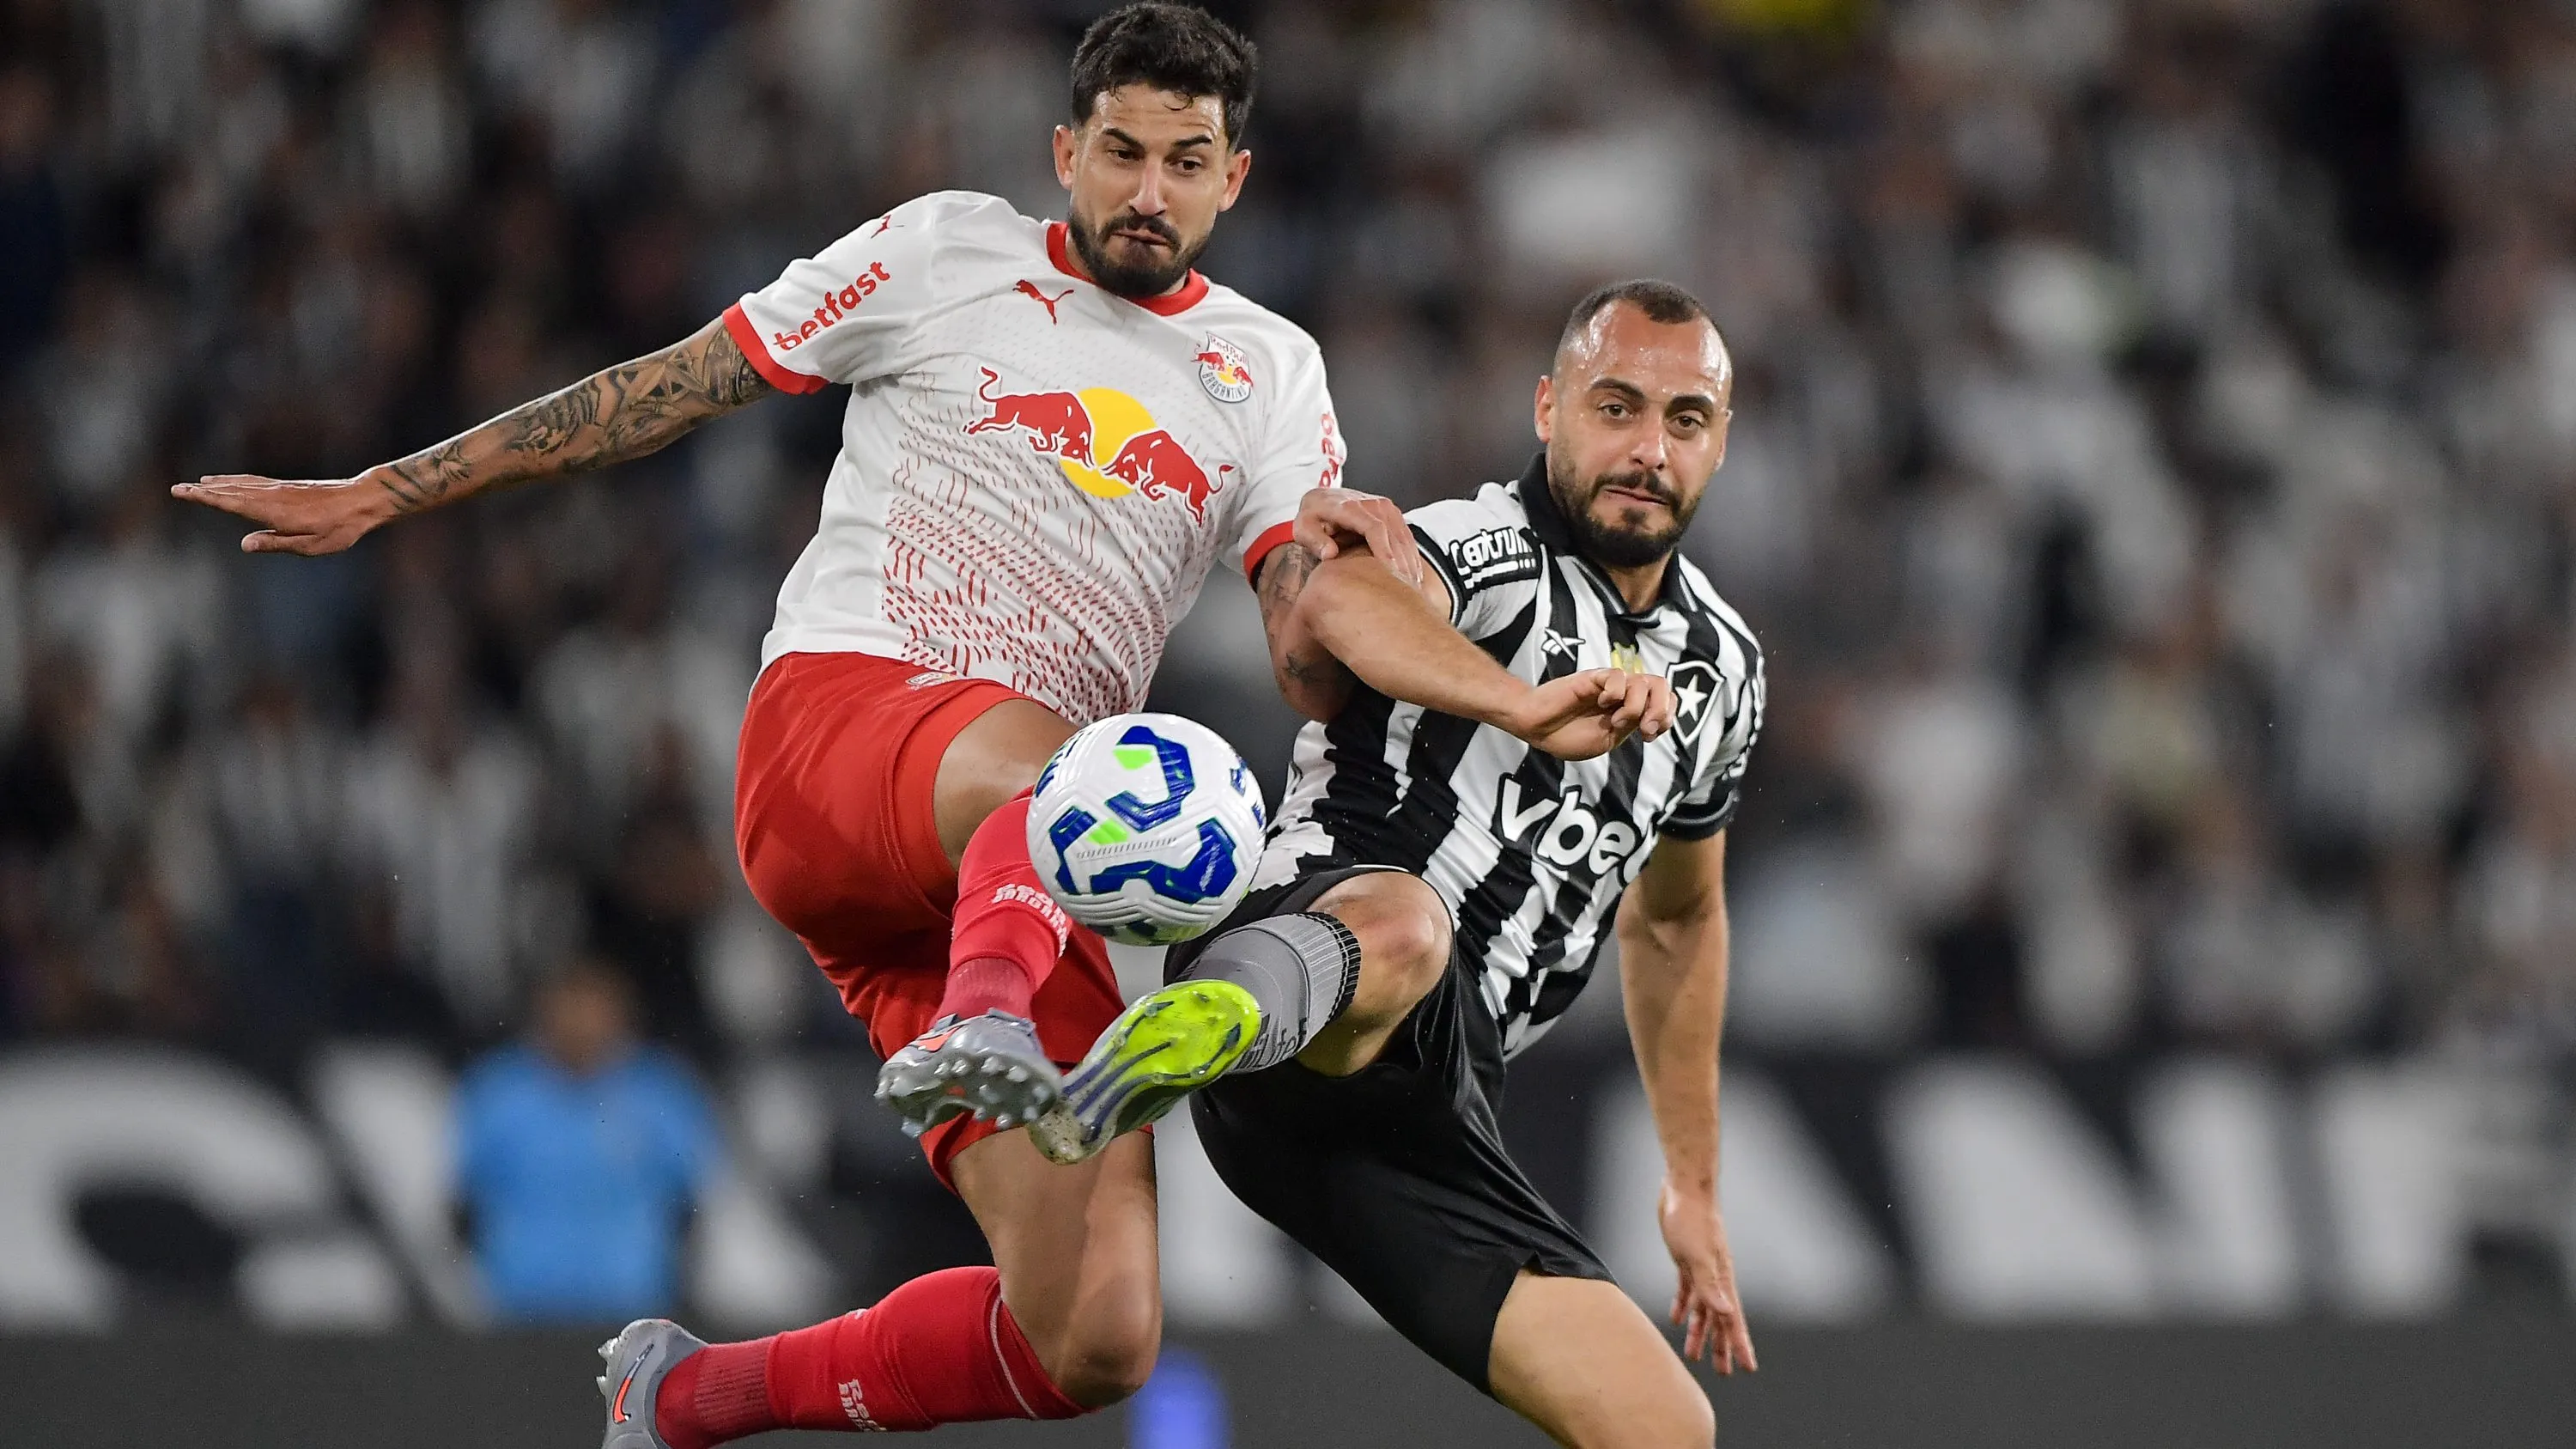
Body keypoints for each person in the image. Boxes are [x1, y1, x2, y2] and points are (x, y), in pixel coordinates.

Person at [177, 6, 1488, 1442]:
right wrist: (394, 487)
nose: (1148, 191)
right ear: (1067, 151)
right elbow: (668, 389)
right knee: (1114, 772)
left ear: (1236, 178)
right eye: (1120, 152)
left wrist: (1372, 601)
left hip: (1016, 865)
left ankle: (691, 1391)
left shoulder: (1272, 371)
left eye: (1187, 161)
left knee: (1096, 1337)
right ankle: (985, 1022)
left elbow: (1307, 652)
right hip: (847, 738)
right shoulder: (944, 252)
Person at [1042, 281, 1765, 1449]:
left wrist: (1692, 1184)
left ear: (1721, 442)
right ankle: (1192, 1025)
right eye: (1615, 405)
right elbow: (1341, 598)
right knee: (1416, 926)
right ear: (1548, 407)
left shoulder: (1724, 671)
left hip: (1424, 1112)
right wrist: (1527, 705)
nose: (1646, 448)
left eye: (1684, 420)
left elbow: (1678, 923)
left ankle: (1209, 1030)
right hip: (1317, 955)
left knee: (1665, 1427)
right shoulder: (1489, 546)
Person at [454, 959, 720, 1324]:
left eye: (593, 1006)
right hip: (520, 1316)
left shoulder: (661, 1093)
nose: (580, 1021)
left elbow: (689, 1206)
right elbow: (463, 1206)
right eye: (569, 1005)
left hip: (633, 1315)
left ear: (622, 1013)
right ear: (543, 1010)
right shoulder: (497, 1093)